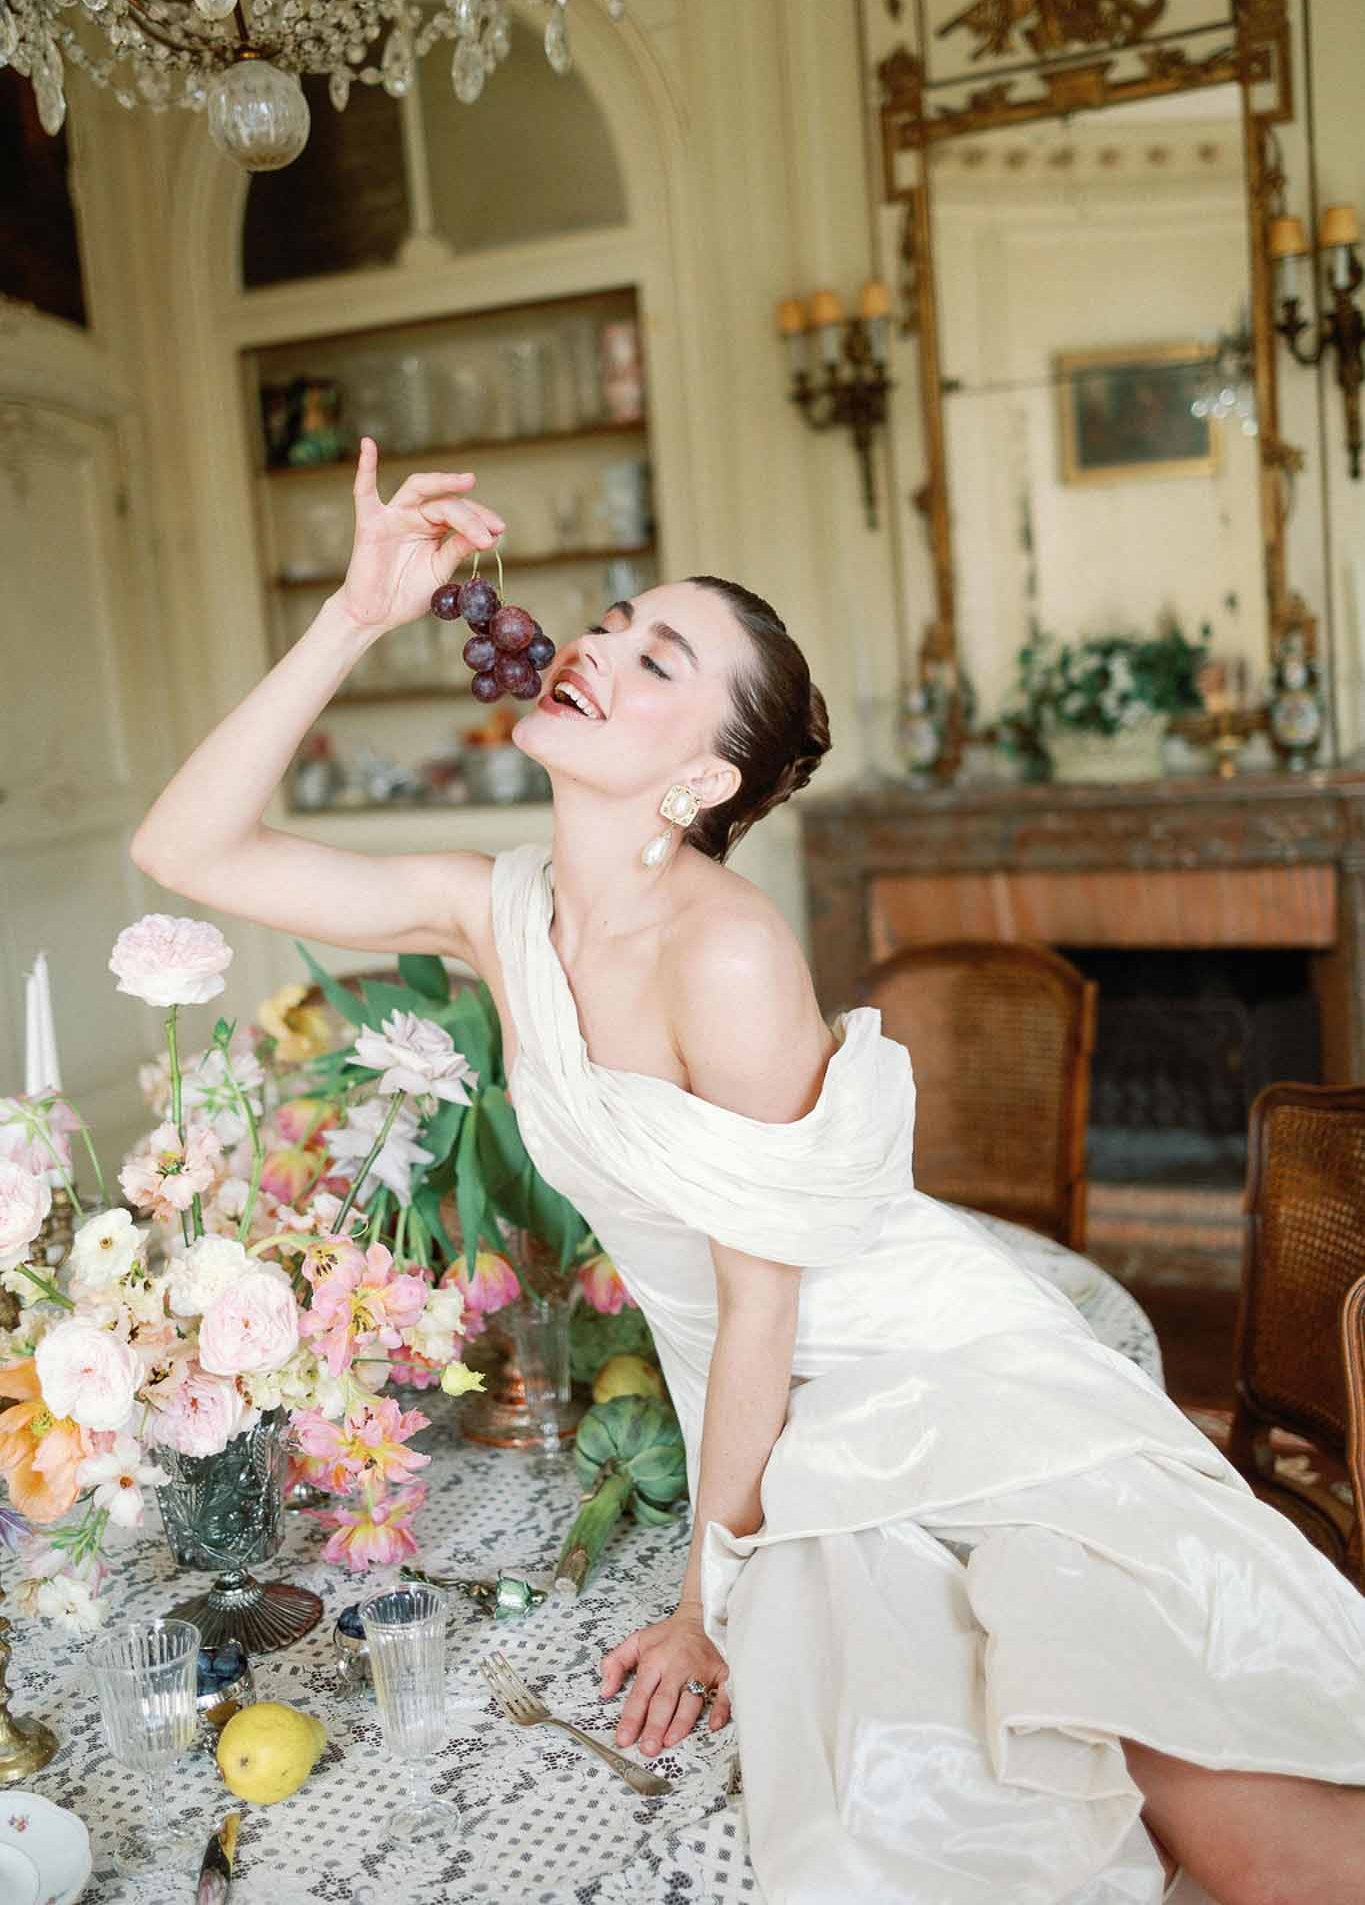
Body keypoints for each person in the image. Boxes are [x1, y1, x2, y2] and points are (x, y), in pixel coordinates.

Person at [131, 445, 1365, 1905]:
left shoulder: (726, 952)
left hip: (914, 1367)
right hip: (774, 1399)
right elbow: (180, 846)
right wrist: (352, 610)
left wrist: (703, 1607)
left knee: (1167, 1740)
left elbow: (761, 1306)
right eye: (613, 622)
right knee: (943, 1774)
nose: (593, 645)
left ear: (702, 778)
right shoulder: (493, 907)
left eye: (659, 656)